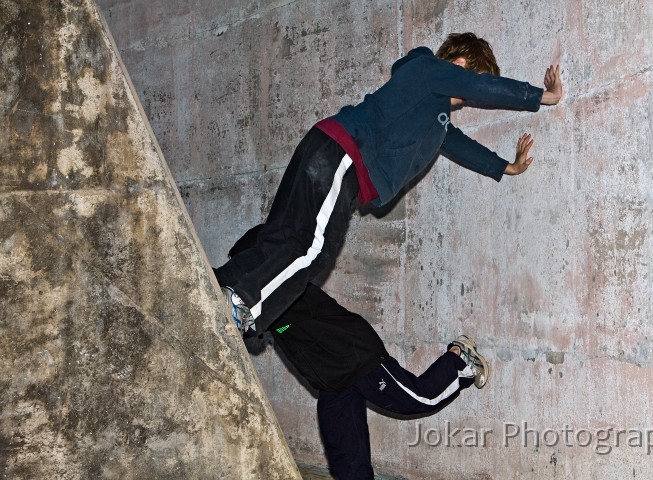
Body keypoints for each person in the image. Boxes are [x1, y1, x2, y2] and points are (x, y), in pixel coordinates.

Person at [213, 32, 563, 335]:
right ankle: (243, 303)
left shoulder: (431, 116)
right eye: (468, 85)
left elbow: (459, 145)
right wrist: (543, 97)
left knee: (282, 240)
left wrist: (507, 168)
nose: (468, 98)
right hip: (343, 155)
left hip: (329, 150)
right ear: (458, 64)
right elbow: (478, 85)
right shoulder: (426, 70)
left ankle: (218, 285)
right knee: (313, 250)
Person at [226, 225, 489, 480]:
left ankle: (460, 358)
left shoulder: (285, 289)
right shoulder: (267, 297)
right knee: (346, 458)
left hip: (357, 358)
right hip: (332, 379)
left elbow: (252, 317)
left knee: (419, 397)